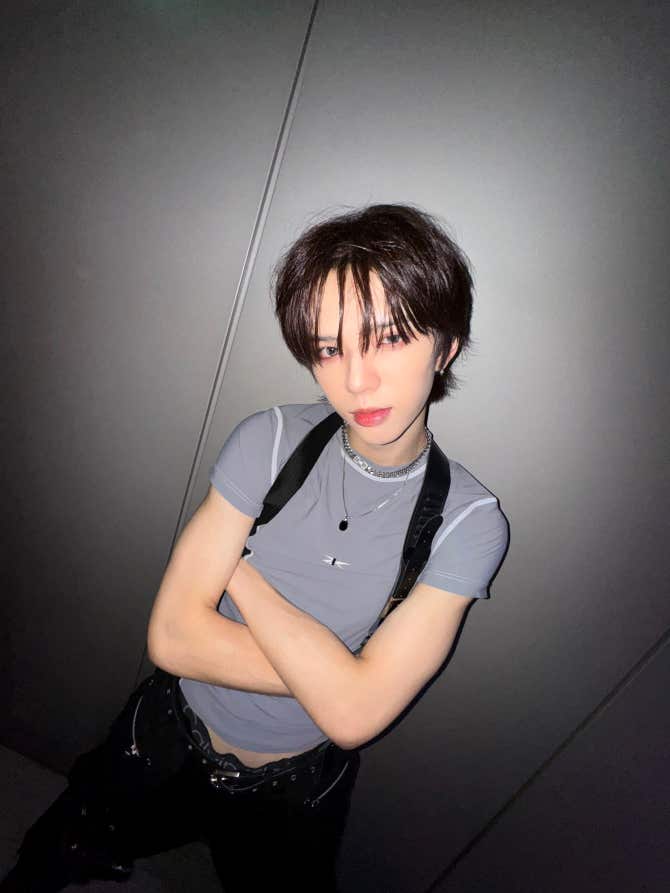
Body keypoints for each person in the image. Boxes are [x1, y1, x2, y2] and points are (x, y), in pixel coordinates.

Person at [2, 204, 509, 891]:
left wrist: (240, 574)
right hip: (164, 739)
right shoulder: (270, 440)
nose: (356, 379)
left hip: (291, 793)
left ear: (446, 346)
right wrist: (343, 675)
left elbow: (354, 718)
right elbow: (172, 638)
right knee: (55, 850)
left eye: (388, 338)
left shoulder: (467, 521)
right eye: (329, 348)